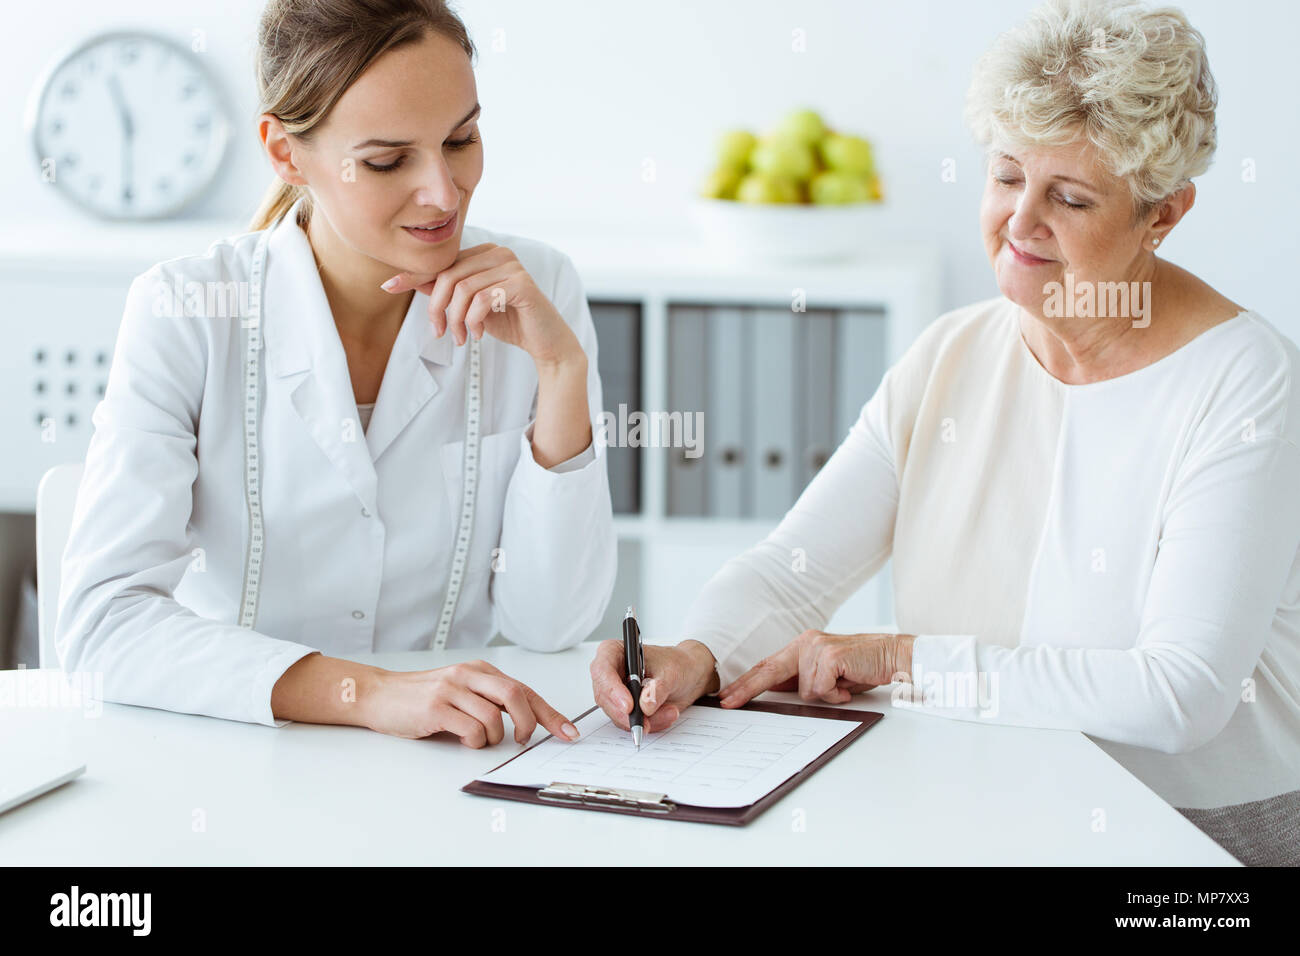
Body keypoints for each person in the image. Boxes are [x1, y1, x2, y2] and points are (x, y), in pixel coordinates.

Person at [590, 0, 1300, 865]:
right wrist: (698, 655)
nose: (1021, 221)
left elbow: (1181, 695)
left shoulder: (1245, 382)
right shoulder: (953, 355)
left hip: (1198, 843)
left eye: (1069, 198)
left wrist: (898, 657)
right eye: (1007, 176)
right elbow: (792, 574)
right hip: (983, 804)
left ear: (1164, 215)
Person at [56, 0, 616, 748]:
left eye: (461, 139)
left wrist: (561, 369)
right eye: (388, 160)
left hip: (457, 760)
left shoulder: (537, 285)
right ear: (287, 154)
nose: (444, 193)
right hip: (234, 750)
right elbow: (104, 625)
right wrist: (370, 694)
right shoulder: (190, 307)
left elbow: (552, 626)